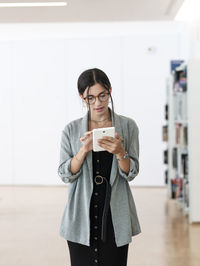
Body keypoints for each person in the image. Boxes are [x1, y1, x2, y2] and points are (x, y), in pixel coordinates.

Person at [58, 68, 141, 266]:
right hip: (81, 215)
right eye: (90, 98)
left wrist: (121, 152)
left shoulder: (128, 126)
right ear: (82, 97)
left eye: (102, 95)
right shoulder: (71, 130)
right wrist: (83, 150)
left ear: (110, 91)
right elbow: (64, 174)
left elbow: (131, 172)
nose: (98, 103)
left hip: (115, 215)